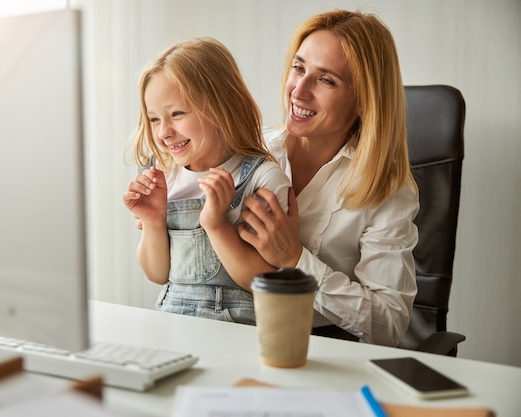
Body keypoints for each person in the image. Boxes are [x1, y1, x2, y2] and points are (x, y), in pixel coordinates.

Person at [237, 10, 419, 346]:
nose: (299, 90)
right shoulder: (250, 150)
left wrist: (295, 258)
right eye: (299, 67)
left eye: (326, 80)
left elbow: (389, 324)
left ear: (364, 100)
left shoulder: (387, 189)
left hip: (317, 348)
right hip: (229, 332)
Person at [123, 37, 290, 325]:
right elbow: (157, 274)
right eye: (153, 119)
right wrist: (153, 221)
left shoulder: (262, 178)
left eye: (177, 114)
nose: (163, 132)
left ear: (222, 105)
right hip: (172, 321)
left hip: (239, 330)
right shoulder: (163, 176)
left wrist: (217, 224)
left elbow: (265, 282)